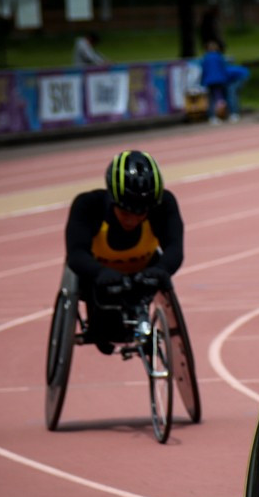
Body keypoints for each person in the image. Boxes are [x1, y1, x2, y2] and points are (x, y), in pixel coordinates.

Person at [65, 151, 184, 353]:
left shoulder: (163, 205)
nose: (133, 220)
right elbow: (76, 255)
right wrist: (100, 273)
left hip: (144, 274)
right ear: (113, 201)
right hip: (98, 279)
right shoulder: (87, 206)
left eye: (141, 213)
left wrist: (162, 269)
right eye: (126, 212)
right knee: (104, 335)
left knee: (160, 280)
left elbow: (175, 249)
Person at [201, 39, 249, 124]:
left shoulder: (205, 58)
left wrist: (202, 82)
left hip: (209, 81)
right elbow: (222, 69)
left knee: (212, 99)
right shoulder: (219, 57)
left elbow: (204, 71)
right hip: (220, 80)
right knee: (228, 95)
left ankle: (212, 117)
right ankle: (233, 114)